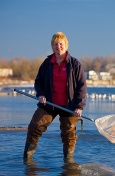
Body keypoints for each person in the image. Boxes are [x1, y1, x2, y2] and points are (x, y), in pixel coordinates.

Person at [23, 32, 87, 161]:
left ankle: (68, 165)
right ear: (52, 46)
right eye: (55, 44)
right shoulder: (47, 63)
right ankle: (27, 161)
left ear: (66, 45)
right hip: (49, 104)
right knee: (34, 127)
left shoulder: (75, 64)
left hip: (69, 107)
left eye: (61, 44)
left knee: (68, 135)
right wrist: (40, 94)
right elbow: (38, 81)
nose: (58, 46)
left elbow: (81, 86)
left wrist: (79, 107)